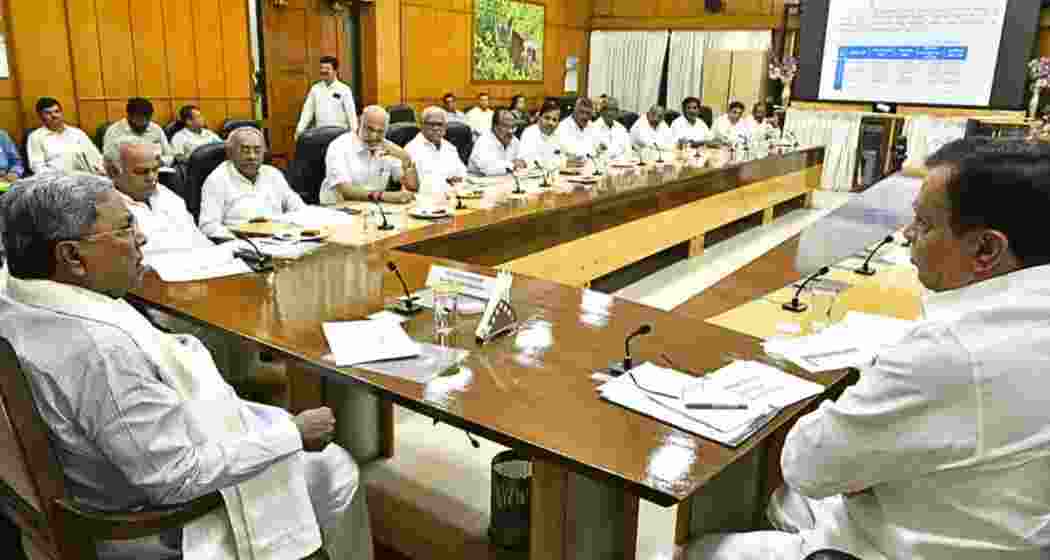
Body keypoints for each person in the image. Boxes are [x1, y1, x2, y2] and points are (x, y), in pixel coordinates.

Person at [686, 140, 1050, 560]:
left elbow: (807, 465)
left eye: (925, 224)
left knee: (692, 550)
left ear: (986, 249)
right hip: (1000, 526)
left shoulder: (948, 352)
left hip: (899, 545)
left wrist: (877, 391)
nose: (907, 234)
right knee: (793, 497)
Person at [0, 173, 372, 560]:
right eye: (126, 228)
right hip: (151, 526)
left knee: (266, 417)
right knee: (334, 467)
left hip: (99, 472)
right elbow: (177, 478)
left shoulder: (15, 291)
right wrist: (293, 434)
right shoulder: (102, 349)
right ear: (72, 256)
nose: (141, 238)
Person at [199, 127, 307, 239]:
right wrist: (242, 236)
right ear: (230, 153)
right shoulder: (217, 180)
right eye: (245, 151)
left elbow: (299, 208)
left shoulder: (273, 174)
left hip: (280, 239)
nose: (252, 156)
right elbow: (208, 227)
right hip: (243, 245)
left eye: (257, 150)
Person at [320, 105, 417, 205]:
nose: (373, 136)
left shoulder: (388, 148)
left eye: (380, 131)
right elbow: (345, 191)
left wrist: (406, 159)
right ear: (359, 123)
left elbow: (412, 186)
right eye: (369, 129)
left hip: (374, 209)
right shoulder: (339, 146)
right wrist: (384, 196)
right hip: (338, 209)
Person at [26, 97, 105, 175]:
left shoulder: (77, 133)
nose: (54, 115)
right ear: (40, 116)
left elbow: (96, 157)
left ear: (61, 113)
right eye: (48, 113)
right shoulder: (35, 137)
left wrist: (103, 171)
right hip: (58, 182)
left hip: (87, 178)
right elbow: (37, 167)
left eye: (57, 111)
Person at [295, 55, 358, 140]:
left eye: (327, 68)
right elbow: (307, 112)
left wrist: (355, 135)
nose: (323, 71)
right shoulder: (315, 89)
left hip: (340, 135)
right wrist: (299, 130)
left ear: (335, 71)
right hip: (320, 134)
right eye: (321, 68)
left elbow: (351, 115)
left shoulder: (344, 90)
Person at [405, 106, 466, 189]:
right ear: (421, 125)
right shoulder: (411, 149)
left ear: (445, 127)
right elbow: (415, 185)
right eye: (431, 124)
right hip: (425, 198)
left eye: (440, 124)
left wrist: (458, 179)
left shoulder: (450, 148)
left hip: (452, 196)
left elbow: (462, 174)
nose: (436, 128)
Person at [103, 97, 176, 167]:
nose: (144, 123)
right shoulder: (114, 131)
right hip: (126, 173)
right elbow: (108, 159)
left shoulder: (156, 129)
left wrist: (161, 161)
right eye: (139, 119)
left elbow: (169, 155)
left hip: (155, 170)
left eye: (147, 119)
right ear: (129, 116)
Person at [468, 107, 526, 176]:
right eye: (506, 126)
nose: (510, 131)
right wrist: (512, 164)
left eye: (512, 127)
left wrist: (522, 163)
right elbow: (488, 169)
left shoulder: (514, 140)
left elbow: (522, 160)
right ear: (495, 127)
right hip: (480, 181)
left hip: (505, 180)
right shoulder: (484, 141)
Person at [519, 99, 563, 168]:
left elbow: (563, 159)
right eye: (547, 118)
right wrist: (553, 162)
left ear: (558, 123)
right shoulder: (529, 133)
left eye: (554, 120)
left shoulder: (558, 134)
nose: (550, 123)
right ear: (539, 117)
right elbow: (527, 161)